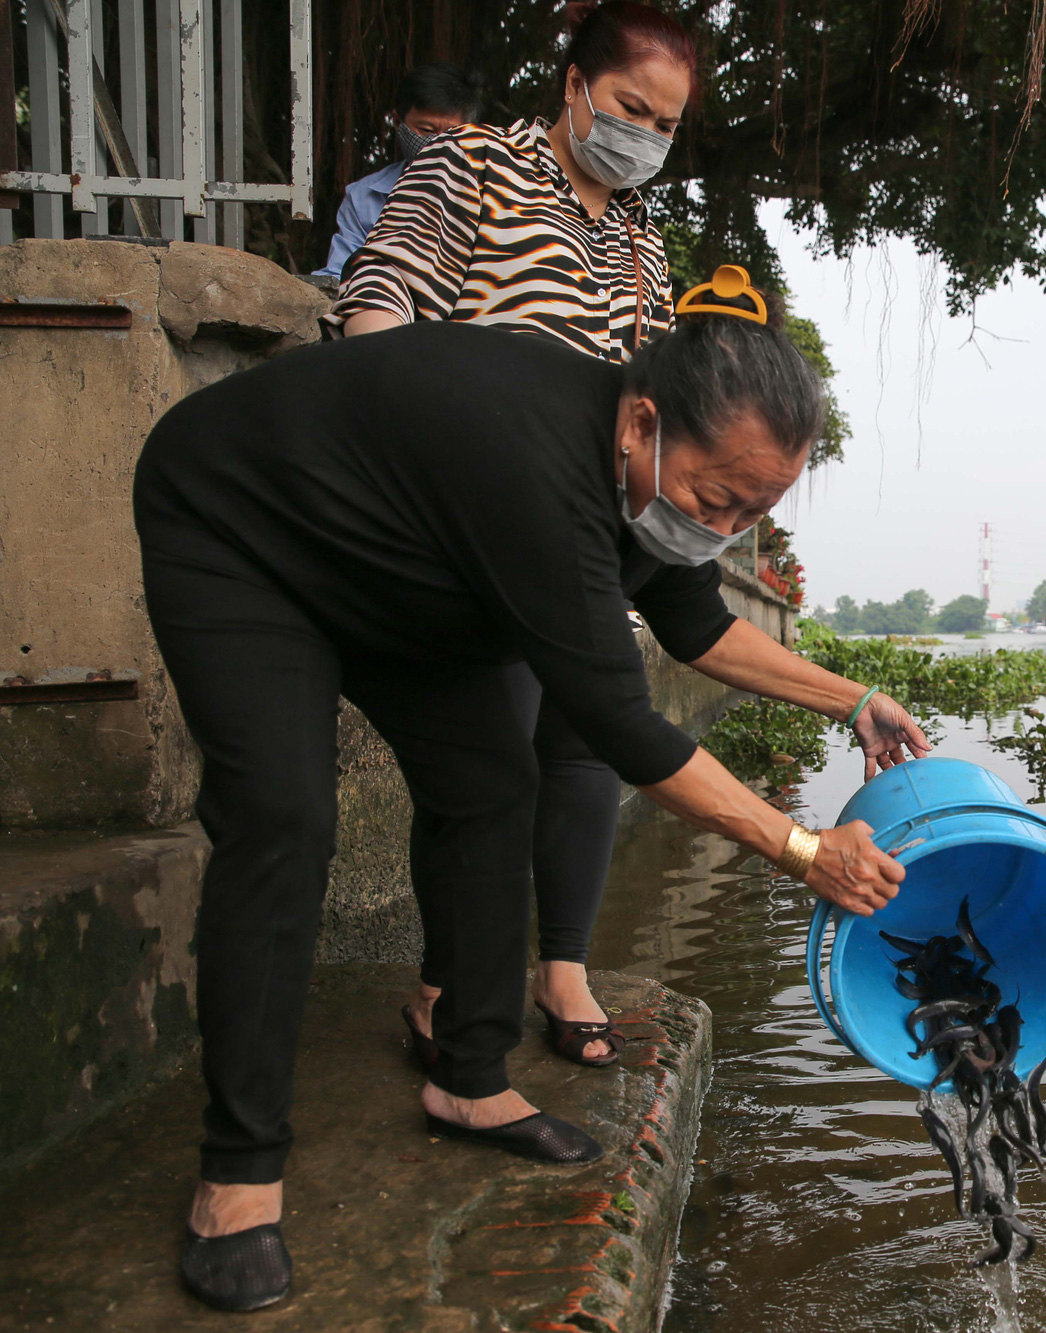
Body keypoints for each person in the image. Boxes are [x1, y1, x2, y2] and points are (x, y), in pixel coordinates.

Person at [135, 277, 930, 1312]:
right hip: (246, 534)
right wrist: (801, 848)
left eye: (754, 512)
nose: (724, 527)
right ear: (644, 420)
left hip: (405, 571)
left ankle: (468, 1078)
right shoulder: (535, 460)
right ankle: (238, 1174)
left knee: (491, 786)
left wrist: (851, 697)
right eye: (714, 499)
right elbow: (621, 725)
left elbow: (695, 625)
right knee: (282, 817)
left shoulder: (644, 479)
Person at [332, 2, 697, 1065]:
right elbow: (381, 294)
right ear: (574, 86)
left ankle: (565, 968)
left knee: (586, 739)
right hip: (472, 515)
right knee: (488, 755)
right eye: (631, 108)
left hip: (585, 523)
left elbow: (656, 393)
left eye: (665, 128)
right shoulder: (473, 167)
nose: (642, 138)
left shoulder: (639, 235)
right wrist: (395, 448)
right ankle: (450, 980)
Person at [313, 63, 481, 280]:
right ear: (396, 121)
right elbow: (340, 274)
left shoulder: (496, 193)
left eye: (453, 133)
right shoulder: (364, 198)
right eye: (427, 131)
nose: (439, 143)